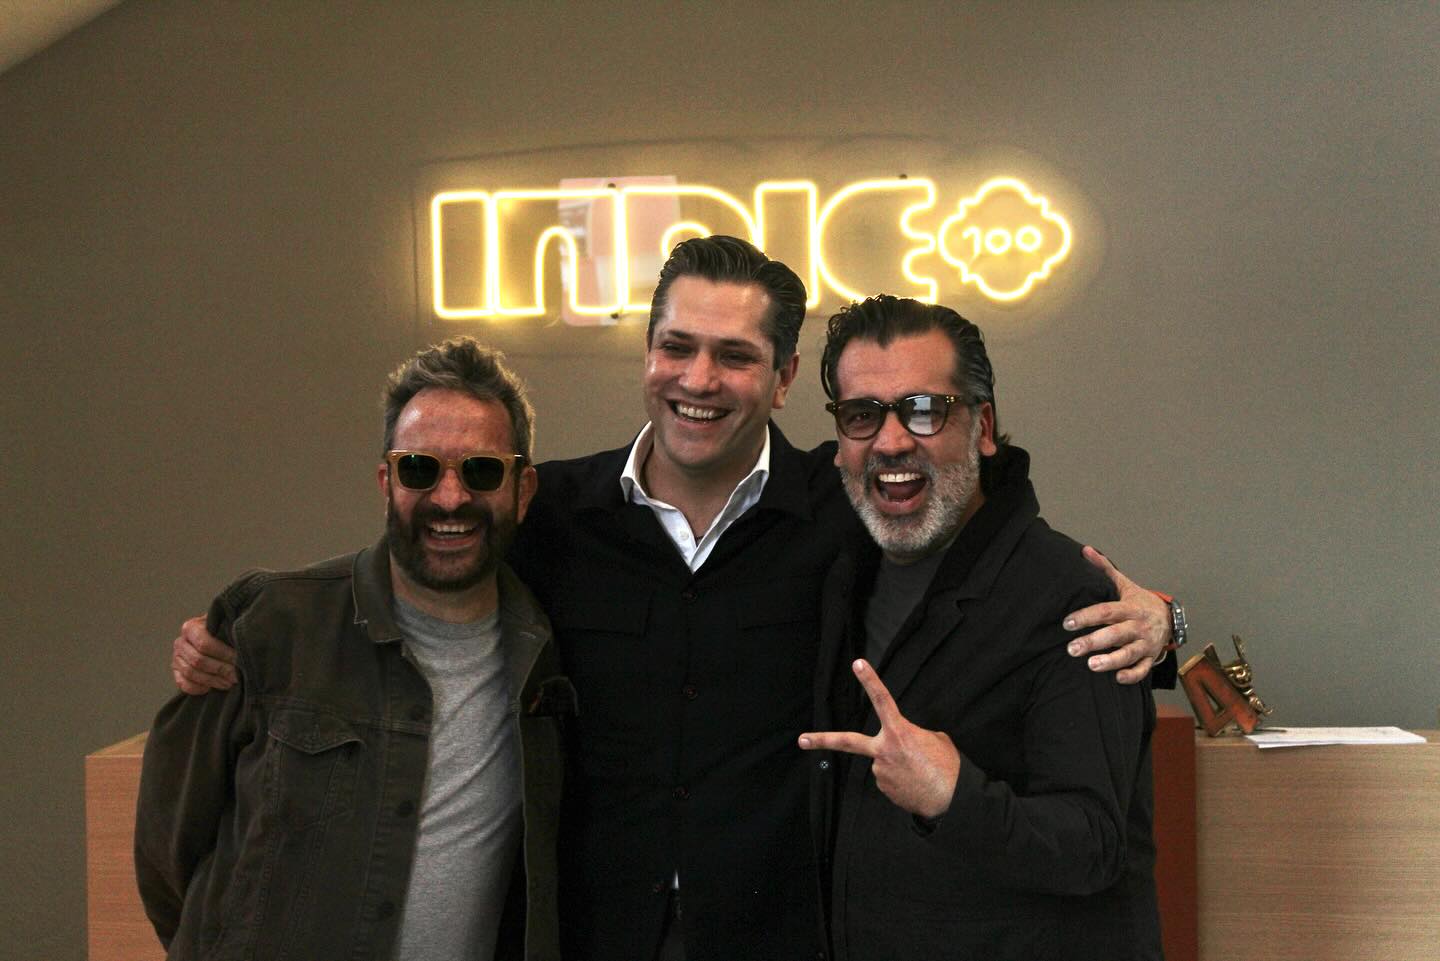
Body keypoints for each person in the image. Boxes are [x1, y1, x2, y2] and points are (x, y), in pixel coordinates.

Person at [170, 237, 1176, 961]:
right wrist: (245, 626)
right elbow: (421, 542)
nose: (700, 377)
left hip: (779, 937)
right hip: (591, 931)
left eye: (735, 355)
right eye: (677, 345)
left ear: (783, 376)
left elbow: (976, 534)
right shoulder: (553, 511)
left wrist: (1162, 624)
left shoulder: (839, 506)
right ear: (646, 351)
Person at [135, 340, 569, 961]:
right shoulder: (272, 625)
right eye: (419, 469)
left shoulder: (545, 657)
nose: (450, 498)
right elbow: (168, 847)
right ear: (386, 483)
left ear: (522, 490)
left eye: (481, 470)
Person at [799, 295, 1162, 960]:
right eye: (863, 414)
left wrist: (954, 796)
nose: (891, 441)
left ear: (983, 426)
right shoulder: (836, 565)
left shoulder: (1068, 595)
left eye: (924, 409)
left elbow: (1095, 844)